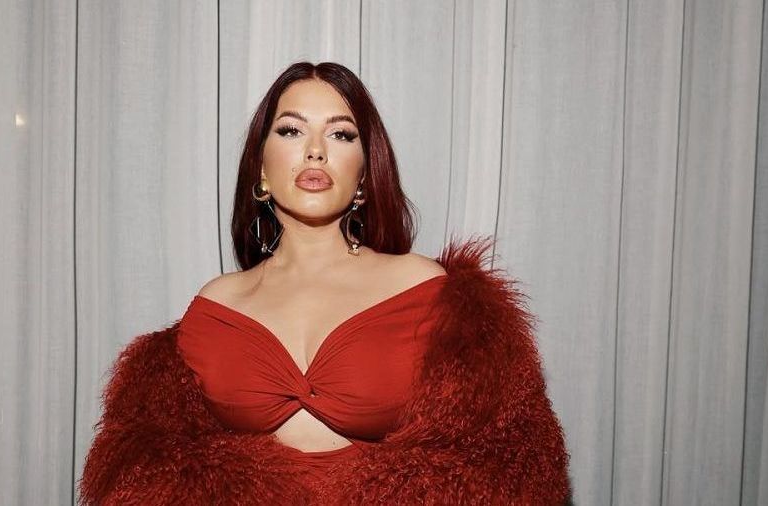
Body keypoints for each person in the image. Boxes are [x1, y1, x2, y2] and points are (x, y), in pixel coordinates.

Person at [77, 61, 571, 505]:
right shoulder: (216, 306)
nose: (315, 151)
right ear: (261, 166)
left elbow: (511, 464)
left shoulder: (424, 291)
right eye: (291, 130)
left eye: (341, 135)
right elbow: (145, 469)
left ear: (364, 172)